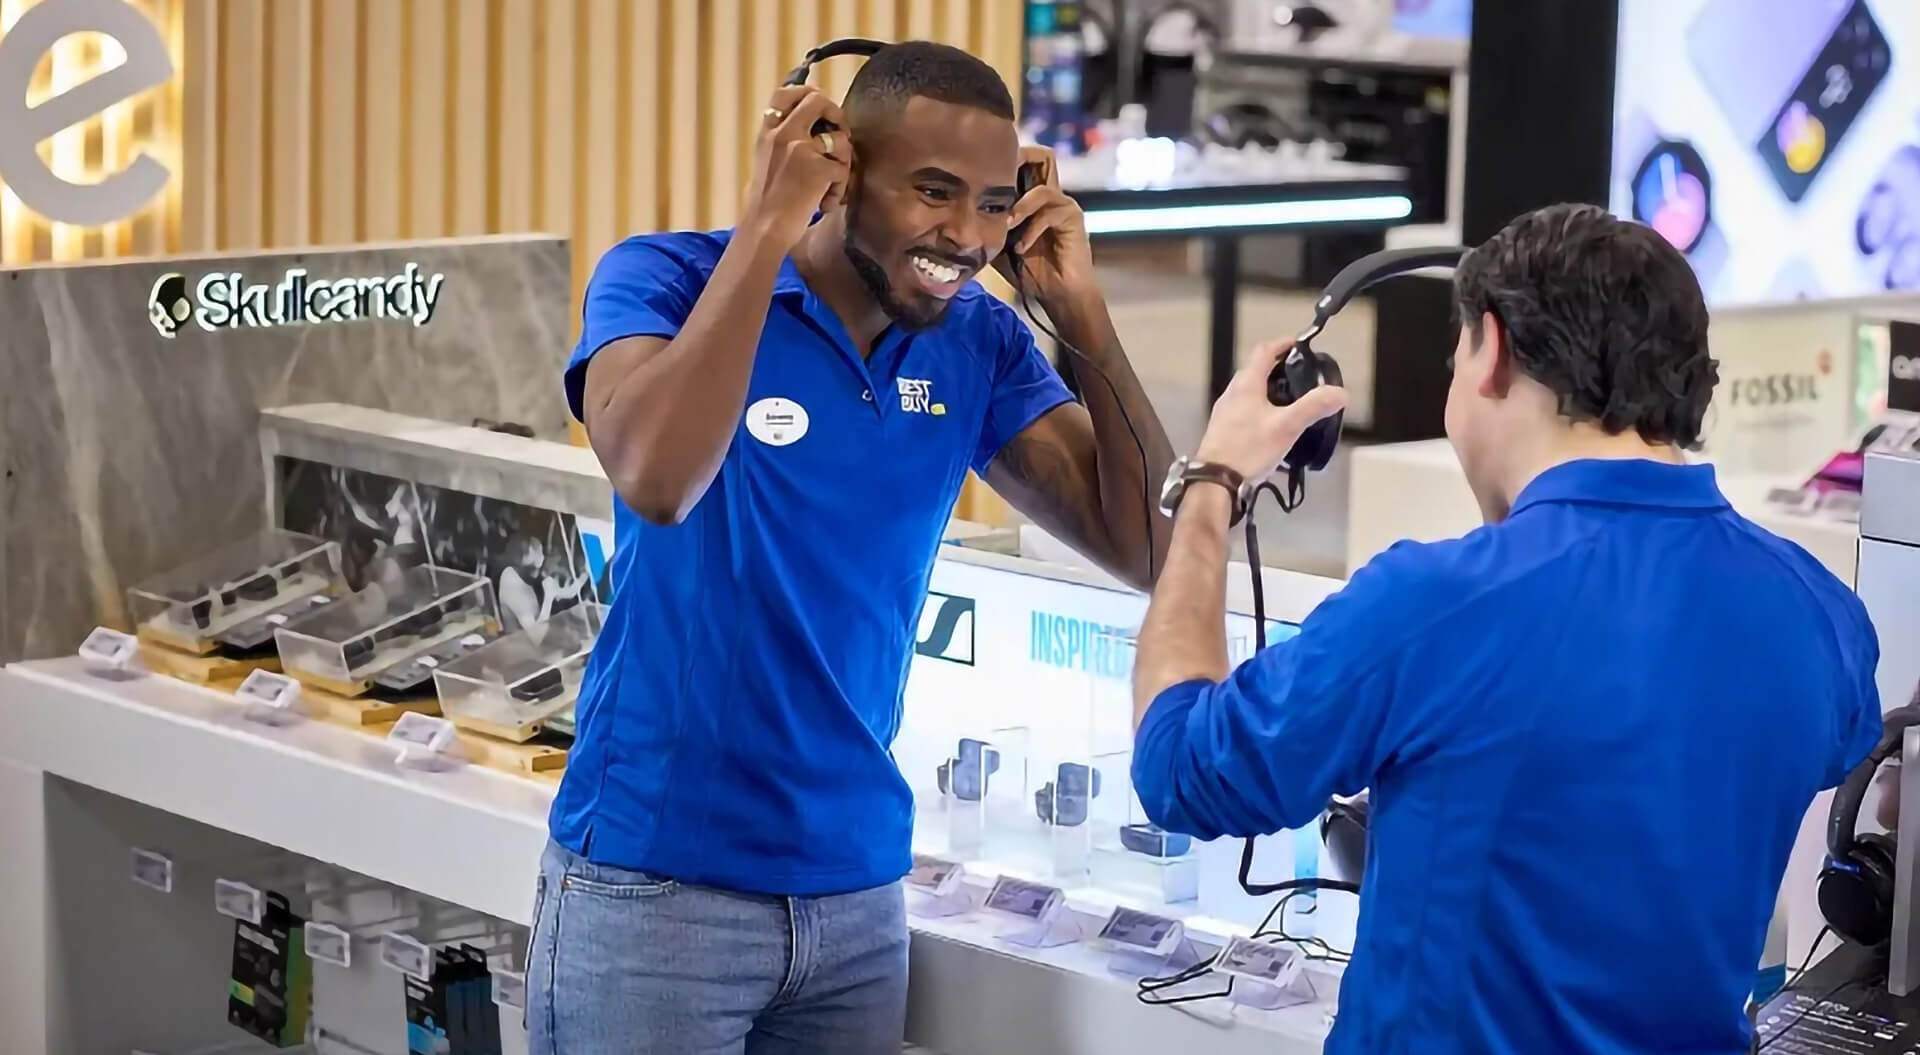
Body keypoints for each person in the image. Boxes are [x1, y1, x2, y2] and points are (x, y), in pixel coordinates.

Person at [528, 42, 1173, 1054]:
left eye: (995, 202)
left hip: (857, 897)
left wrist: (1079, 309)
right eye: (933, 191)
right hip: (656, 888)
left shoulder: (980, 340)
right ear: (836, 163)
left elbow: (1149, 548)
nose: (964, 235)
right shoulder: (666, 276)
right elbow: (656, 476)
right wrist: (769, 226)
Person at [1130, 202, 1883, 1055]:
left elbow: (1179, 770)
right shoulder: (1823, 612)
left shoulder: (1435, 604)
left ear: (1490, 348)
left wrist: (1212, 481)